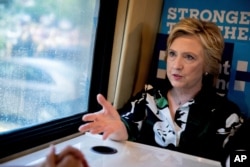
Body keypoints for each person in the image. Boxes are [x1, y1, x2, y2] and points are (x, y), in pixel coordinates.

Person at [78, 18, 245, 163]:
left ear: (208, 66)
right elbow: (125, 125)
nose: (176, 65)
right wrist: (120, 130)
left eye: (189, 57)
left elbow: (241, 157)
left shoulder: (225, 115)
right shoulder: (147, 98)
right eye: (172, 54)